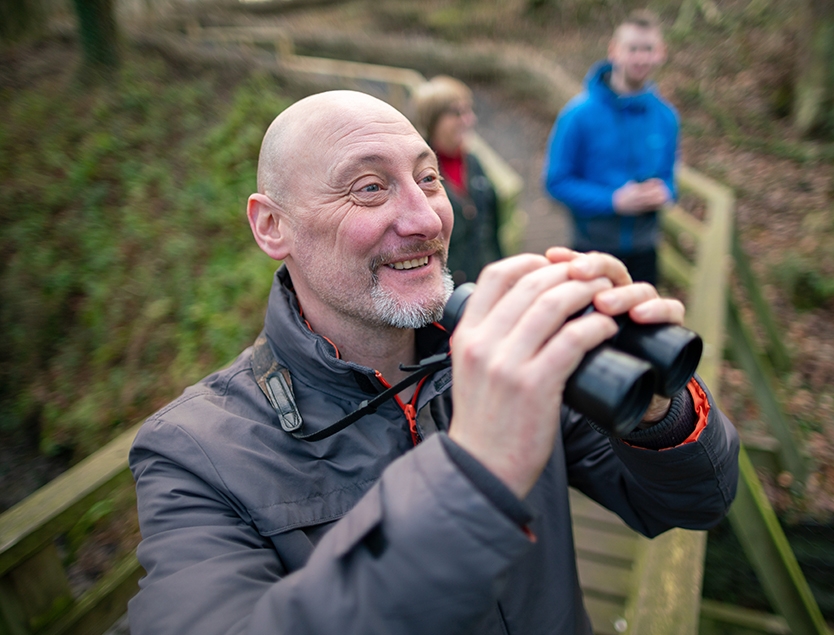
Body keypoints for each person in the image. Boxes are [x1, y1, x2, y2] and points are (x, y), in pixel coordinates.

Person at [127, 89, 739, 635]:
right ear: (272, 226)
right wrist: (474, 475)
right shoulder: (193, 452)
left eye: (428, 180)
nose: (425, 220)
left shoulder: (508, 354)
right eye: (369, 188)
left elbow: (692, 502)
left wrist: (658, 402)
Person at [544, 9, 677, 286]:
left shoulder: (667, 117)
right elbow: (556, 182)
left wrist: (665, 192)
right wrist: (613, 200)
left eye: (648, 49)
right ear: (614, 51)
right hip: (591, 249)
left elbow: (670, 177)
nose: (641, 58)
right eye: (633, 49)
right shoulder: (577, 115)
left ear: (660, 53)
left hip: (645, 251)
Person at [412, 75, 503, 285]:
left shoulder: (473, 162)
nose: (468, 120)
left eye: (468, 111)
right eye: (456, 113)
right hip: (444, 291)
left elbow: (491, 228)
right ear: (431, 119)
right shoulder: (417, 172)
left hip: (483, 282)